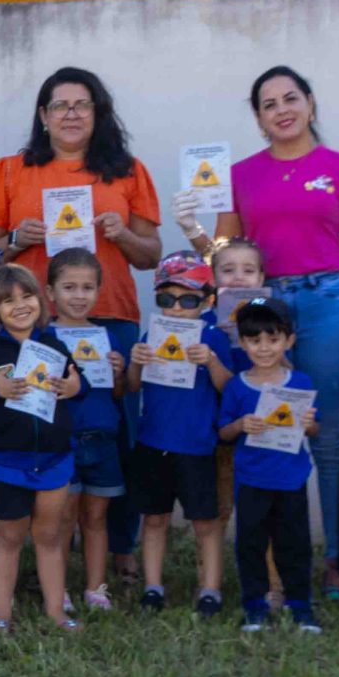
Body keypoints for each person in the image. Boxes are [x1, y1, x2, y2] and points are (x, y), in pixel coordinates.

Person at [178, 66, 339, 595]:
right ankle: (270, 568)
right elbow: (223, 257)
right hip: (261, 307)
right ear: (258, 117)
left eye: (291, 98)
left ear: (311, 103)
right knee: (265, 427)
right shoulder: (240, 174)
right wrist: (193, 231)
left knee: (329, 435)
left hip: (329, 300)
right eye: (269, 104)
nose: (282, 109)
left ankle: (337, 558)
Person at [0, 67, 162, 325]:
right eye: (60, 106)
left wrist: (124, 236)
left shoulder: (129, 170)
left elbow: (151, 257)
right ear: (44, 116)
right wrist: (17, 239)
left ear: (97, 113)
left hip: (110, 315)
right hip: (29, 317)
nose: (72, 115)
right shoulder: (7, 171)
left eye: (82, 105)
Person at [0, 264, 82, 631]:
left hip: (55, 458)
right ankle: (1, 615)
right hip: (6, 461)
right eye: (7, 301)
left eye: (26, 296)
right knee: (9, 536)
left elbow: (79, 384)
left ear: (40, 300)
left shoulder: (54, 344)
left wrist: (74, 388)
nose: (20, 305)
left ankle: (57, 613)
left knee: (49, 534)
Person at [125, 254, 231, 615]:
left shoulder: (215, 338)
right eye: (166, 299)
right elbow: (132, 386)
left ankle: (210, 590)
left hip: (198, 446)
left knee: (205, 521)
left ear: (208, 301)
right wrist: (136, 361)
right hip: (153, 441)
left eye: (188, 300)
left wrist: (212, 361)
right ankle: (153, 587)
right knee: (154, 519)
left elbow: (229, 391)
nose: (176, 309)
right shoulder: (149, 335)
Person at [219, 299, 323, 633]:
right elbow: (223, 431)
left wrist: (308, 424)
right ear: (243, 342)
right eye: (254, 340)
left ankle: (300, 605)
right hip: (251, 480)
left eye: (273, 339)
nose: (264, 348)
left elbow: (315, 429)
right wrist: (241, 425)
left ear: (289, 341)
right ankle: (254, 606)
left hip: (291, 479)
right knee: (250, 544)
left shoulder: (301, 383)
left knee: (295, 544)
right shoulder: (237, 386)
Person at [46, 248, 128, 611]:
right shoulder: (43, 338)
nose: (79, 296)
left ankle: (97, 588)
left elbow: (120, 394)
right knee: (63, 517)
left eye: (87, 288)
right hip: (62, 440)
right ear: (50, 293)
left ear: (98, 291)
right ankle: (58, 587)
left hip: (103, 437)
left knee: (96, 517)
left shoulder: (109, 337)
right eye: (69, 287)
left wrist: (121, 372)